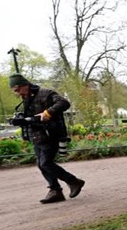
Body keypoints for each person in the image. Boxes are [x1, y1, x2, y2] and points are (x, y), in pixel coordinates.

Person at [9, 73, 85, 204]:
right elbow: (33, 117)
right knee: (41, 164)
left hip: (51, 134)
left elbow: (64, 103)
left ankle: (73, 181)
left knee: (45, 163)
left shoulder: (45, 93)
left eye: (17, 90)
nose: (16, 93)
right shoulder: (26, 97)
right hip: (37, 135)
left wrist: (48, 113)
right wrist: (20, 120)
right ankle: (55, 191)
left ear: (24, 85)